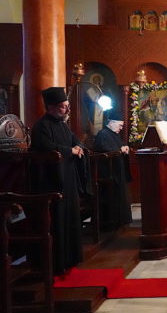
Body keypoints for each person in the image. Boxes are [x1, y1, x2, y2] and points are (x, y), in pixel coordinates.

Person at [30, 87, 88, 274]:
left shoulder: (63, 125)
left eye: (68, 106)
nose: (67, 110)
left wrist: (78, 147)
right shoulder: (41, 126)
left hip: (68, 177)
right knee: (57, 219)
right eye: (63, 107)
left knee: (71, 216)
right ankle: (57, 263)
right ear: (51, 107)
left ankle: (71, 258)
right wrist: (69, 150)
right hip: (52, 180)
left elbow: (75, 140)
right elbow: (45, 147)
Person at [94, 109, 132, 229]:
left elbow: (119, 147)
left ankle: (121, 221)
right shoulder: (103, 134)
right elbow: (104, 151)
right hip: (108, 173)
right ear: (111, 123)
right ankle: (113, 223)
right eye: (120, 125)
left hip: (118, 171)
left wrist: (125, 148)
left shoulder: (114, 134)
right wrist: (120, 150)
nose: (121, 128)